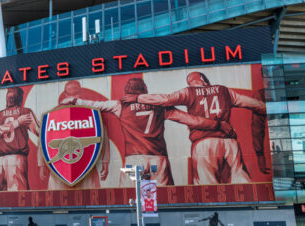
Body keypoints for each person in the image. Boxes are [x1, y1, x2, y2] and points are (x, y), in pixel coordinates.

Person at [62, 78, 234, 186]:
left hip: (132, 160)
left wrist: (74, 100)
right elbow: (191, 120)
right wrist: (218, 125)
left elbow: (95, 105)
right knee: (159, 202)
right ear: (144, 90)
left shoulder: (120, 105)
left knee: (130, 199)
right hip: (158, 160)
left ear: (127, 91)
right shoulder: (160, 107)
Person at [122, 71, 266, 185]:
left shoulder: (189, 92)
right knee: (240, 176)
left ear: (191, 83)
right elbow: (256, 105)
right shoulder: (224, 91)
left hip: (203, 142)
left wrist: (138, 98)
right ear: (204, 80)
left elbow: (166, 99)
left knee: (206, 183)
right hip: (229, 141)